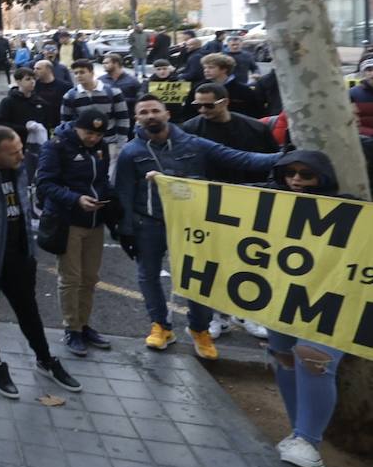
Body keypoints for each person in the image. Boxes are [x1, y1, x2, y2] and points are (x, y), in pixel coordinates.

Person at [115, 96, 284, 359]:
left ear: (167, 114)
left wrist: (285, 157)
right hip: (148, 223)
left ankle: (200, 330)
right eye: (144, 112)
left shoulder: (194, 144)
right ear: (137, 118)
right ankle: (161, 326)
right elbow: (123, 192)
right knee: (148, 276)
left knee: (199, 278)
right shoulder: (130, 152)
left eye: (155, 110)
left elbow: (242, 159)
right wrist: (124, 230)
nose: (150, 116)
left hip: (192, 223)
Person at [0, 126, 81, 399]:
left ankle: (45, 359)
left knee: (29, 311)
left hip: (20, 257)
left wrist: (30, 252)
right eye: (14, 152)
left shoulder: (18, 168)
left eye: (21, 149)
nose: (21, 156)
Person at [262, 150, 351, 467]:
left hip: (332, 298)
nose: (296, 180)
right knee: (283, 357)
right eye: (291, 173)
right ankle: (299, 431)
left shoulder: (349, 208)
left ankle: (308, 441)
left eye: (306, 175)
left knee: (314, 360)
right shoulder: (268, 199)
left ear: (322, 179)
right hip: (281, 295)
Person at [182, 82, 279, 341]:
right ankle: (217, 316)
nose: (202, 110)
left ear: (225, 102)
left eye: (208, 105)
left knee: (250, 261)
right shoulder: (190, 130)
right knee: (212, 263)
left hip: (250, 204)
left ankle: (247, 313)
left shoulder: (254, 128)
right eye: (197, 105)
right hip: (208, 207)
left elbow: (274, 164)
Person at [36, 111, 114, 357]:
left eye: (98, 134)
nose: (93, 138)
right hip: (67, 221)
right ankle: (72, 328)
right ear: (76, 128)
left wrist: (109, 200)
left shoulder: (101, 147)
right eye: (88, 133)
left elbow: (101, 180)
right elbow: (45, 184)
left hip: (94, 221)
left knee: (90, 278)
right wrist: (75, 199)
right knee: (71, 278)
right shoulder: (56, 146)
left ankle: (84, 323)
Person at [60, 60, 129, 150]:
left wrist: (121, 143)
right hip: (83, 145)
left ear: (92, 73)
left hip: (110, 142)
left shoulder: (113, 92)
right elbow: (65, 122)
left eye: (82, 72)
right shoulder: (70, 96)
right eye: (75, 73)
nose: (78, 76)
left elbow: (123, 118)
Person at [198, 53, 264, 119]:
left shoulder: (244, 91)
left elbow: (256, 114)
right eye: (205, 68)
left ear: (224, 69)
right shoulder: (199, 88)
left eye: (211, 67)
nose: (206, 70)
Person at [0, 69, 51, 145]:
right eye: (28, 79)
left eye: (34, 79)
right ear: (18, 82)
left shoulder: (40, 102)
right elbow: (0, 123)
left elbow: (46, 125)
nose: (32, 82)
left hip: (37, 144)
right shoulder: (8, 102)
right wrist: (24, 128)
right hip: (14, 142)